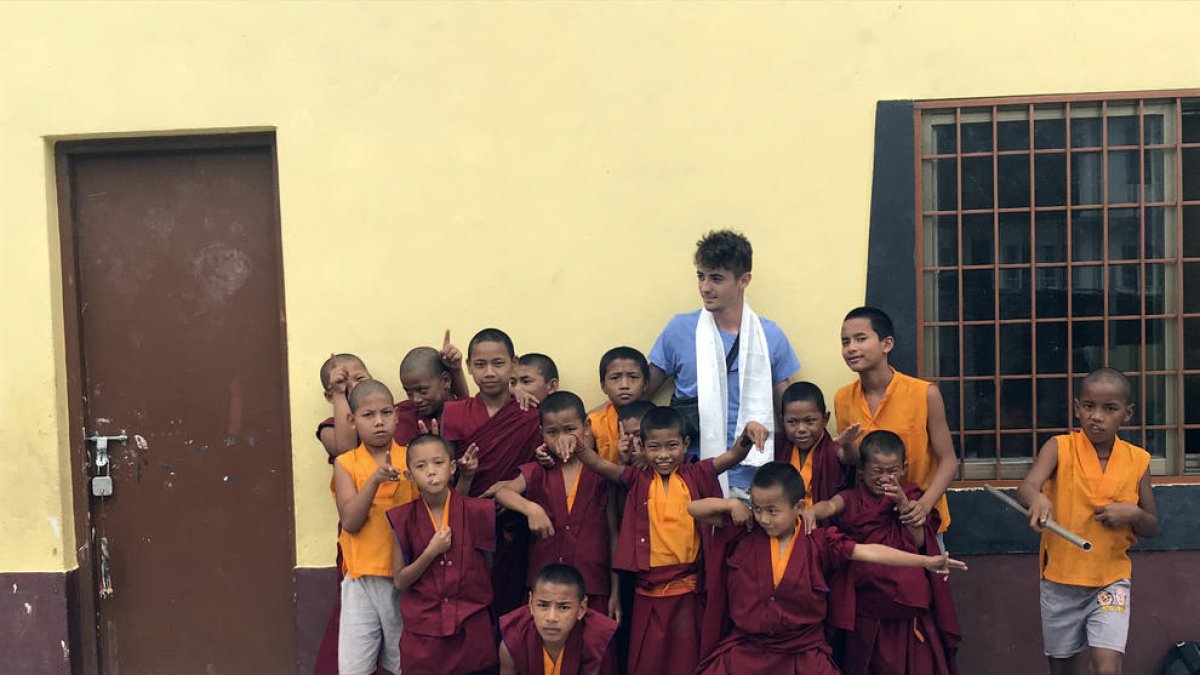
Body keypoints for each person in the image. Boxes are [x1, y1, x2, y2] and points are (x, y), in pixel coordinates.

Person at [690, 462, 967, 674]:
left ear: (799, 507)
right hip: (748, 649)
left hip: (803, 652)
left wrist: (927, 561)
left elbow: (868, 552)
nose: (763, 518)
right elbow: (693, 508)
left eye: (772, 511)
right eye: (758, 508)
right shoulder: (746, 531)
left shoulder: (819, 542)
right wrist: (731, 504)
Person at [569, 406, 770, 675]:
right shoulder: (636, 478)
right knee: (648, 661)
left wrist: (747, 433)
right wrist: (577, 444)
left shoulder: (697, 473)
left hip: (687, 589)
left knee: (686, 661)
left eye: (672, 446)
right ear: (642, 445)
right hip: (647, 592)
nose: (663, 456)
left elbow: (733, 456)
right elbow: (596, 464)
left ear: (686, 444)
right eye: (654, 447)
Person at [1017, 368, 1158, 675]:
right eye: (1089, 406)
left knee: (1107, 667)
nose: (1097, 416)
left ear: (1127, 413)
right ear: (1077, 407)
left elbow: (1151, 526)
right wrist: (1038, 499)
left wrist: (1132, 514)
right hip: (1060, 580)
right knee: (1063, 668)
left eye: (1109, 409)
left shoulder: (1138, 460)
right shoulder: (1059, 448)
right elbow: (1026, 488)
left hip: (1111, 579)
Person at [646, 230, 800, 498]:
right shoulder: (679, 330)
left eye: (716, 278)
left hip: (753, 479)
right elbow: (642, 390)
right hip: (690, 474)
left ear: (744, 280)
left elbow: (789, 409)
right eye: (701, 276)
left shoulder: (769, 336)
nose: (705, 287)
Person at [804, 431, 961, 674]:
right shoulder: (851, 497)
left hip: (906, 607)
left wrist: (901, 502)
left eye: (893, 471)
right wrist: (813, 512)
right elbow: (830, 505)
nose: (886, 478)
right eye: (877, 471)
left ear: (904, 468)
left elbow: (919, 539)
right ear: (861, 471)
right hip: (865, 602)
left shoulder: (911, 497)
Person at [485, 391, 621, 621]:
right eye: (552, 432)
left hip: (593, 585)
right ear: (541, 434)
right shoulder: (539, 470)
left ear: (586, 426)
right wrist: (531, 509)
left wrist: (616, 591)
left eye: (570, 430)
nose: (562, 439)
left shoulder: (600, 473)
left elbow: (613, 535)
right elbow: (503, 493)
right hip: (544, 589)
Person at [441, 328, 544, 615]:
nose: (489, 372)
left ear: (514, 363)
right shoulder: (455, 412)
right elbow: (444, 470)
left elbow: (542, 465)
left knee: (509, 605)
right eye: (480, 364)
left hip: (514, 525)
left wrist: (513, 485)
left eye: (498, 363)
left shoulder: (530, 414)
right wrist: (462, 473)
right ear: (469, 368)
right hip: (466, 523)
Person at [834, 306, 956, 537]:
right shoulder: (843, 398)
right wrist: (846, 445)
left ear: (886, 344)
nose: (851, 348)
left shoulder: (924, 394)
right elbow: (853, 461)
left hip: (918, 517)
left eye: (861, 339)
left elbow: (948, 460)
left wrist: (925, 505)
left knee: (928, 572)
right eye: (845, 342)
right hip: (870, 521)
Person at [389, 434, 499, 675]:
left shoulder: (477, 512)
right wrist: (430, 553)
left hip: (472, 630)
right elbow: (400, 580)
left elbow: (485, 568)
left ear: (451, 468)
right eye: (420, 466)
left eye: (438, 463)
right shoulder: (403, 518)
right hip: (424, 637)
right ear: (409, 475)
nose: (431, 471)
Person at [331, 380, 418, 675]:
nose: (379, 422)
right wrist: (374, 481)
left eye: (385, 413)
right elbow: (351, 522)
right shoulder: (347, 464)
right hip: (361, 580)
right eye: (368, 415)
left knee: (404, 664)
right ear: (352, 421)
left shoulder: (412, 458)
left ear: (396, 415)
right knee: (355, 667)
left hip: (405, 579)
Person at [499, 564, 620, 675]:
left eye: (563, 607)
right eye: (542, 605)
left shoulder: (597, 642)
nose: (552, 617)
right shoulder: (514, 639)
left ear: (581, 608)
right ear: (531, 603)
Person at [777, 381, 857, 508]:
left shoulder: (832, 449)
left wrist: (848, 444)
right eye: (792, 422)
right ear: (782, 421)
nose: (801, 429)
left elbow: (850, 458)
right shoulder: (779, 445)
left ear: (825, 419)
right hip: (785, 523)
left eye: (809, 421)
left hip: (821, 523)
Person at [394, 332, 470, 444]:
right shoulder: (404, 415)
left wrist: (456, 369)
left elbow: (463, 403)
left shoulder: (465, 416)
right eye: (409, 393)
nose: (416, 399)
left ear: (446, 381)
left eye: (422, 391)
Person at [588, 347, 650, 463]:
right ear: (603, 386)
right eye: (615, 378)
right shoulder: (593, 424)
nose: (624, 385)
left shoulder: (659, 418)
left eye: (633, 377)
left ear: (645, 383)